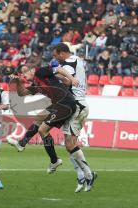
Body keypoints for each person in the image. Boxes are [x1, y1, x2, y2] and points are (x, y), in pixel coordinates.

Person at [8, 63, 78, 174]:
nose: (23, 75)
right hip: (58, 104)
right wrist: (17, 82)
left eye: (24, 72)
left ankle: (54, 160)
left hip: (66, 104)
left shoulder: (40, 71)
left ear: (31, 70)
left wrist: (72, 78)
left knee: (42, 130)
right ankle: (22, 144)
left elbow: (59, 69)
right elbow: (23, 93)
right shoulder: (35, 83)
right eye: (21, 73)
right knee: (39, 117)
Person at [53, 43, 97, 192]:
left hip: (77, 105)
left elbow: (63, 76)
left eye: (56, 55)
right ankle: (82, 175)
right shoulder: (77, 60)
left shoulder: (69, 62)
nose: (56, 59)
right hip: (78, 104)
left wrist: (54, 73)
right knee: (69, 144)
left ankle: (88, 175)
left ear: (61, 53)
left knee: (70, 144)